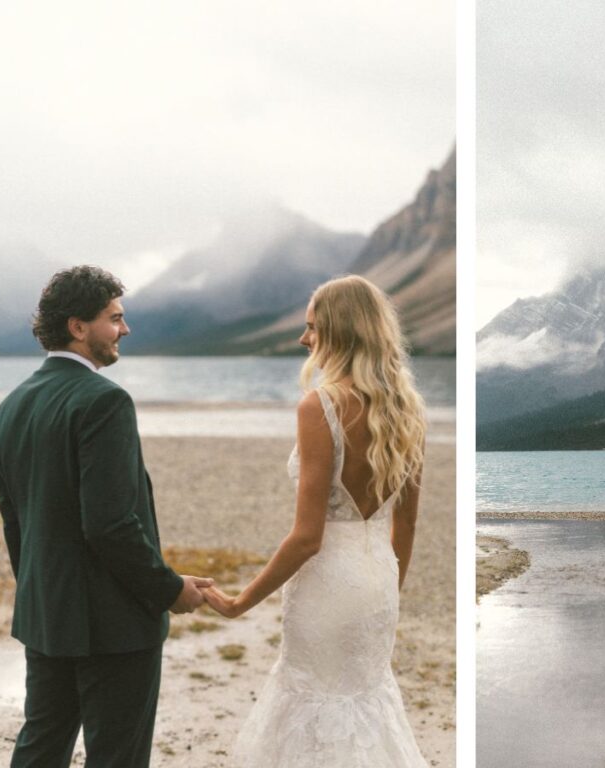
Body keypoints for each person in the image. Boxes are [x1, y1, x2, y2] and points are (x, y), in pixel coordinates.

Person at [0, 265, 213, 768]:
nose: (125, 330)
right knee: (117, 758)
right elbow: (110, 525)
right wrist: (169, 589)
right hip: (113, 627)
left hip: (46, 613)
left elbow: (15, 525)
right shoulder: (104, 400)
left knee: (40, 749)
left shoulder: (11, 406)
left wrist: (41, 592)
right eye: (115, 318)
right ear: (78, 326)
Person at [201, 275, 429, 767]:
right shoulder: (408, 410)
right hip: (378, 583)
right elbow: (405, 527)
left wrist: (241, 601)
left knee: (313, 705)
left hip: (328, 584)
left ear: (340, 331)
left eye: (312, 328)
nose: (303, 339)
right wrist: (389, 588)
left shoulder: (321, 406)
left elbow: (307, 539)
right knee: (365, 704)